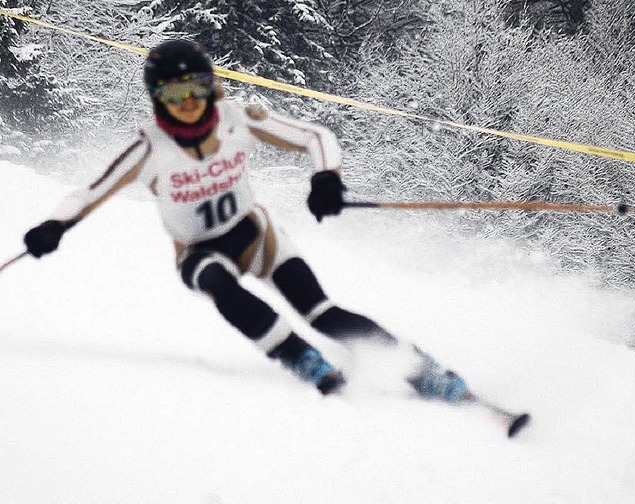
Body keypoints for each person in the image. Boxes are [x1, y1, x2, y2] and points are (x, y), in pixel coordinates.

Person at [23, 39, 468, 400]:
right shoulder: (149, 148)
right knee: (218, 282)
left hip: (258, 236)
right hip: (197, 251)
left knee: (322, 312)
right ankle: (298, 356)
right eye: (173, 93)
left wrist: (325, 180)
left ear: (211, 86)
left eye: (196, 87)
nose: (188, 102)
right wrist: (54, 227)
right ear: (157, 98)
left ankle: (422, 370)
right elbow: (89, 192)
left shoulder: (237, 119)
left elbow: (316, 136)